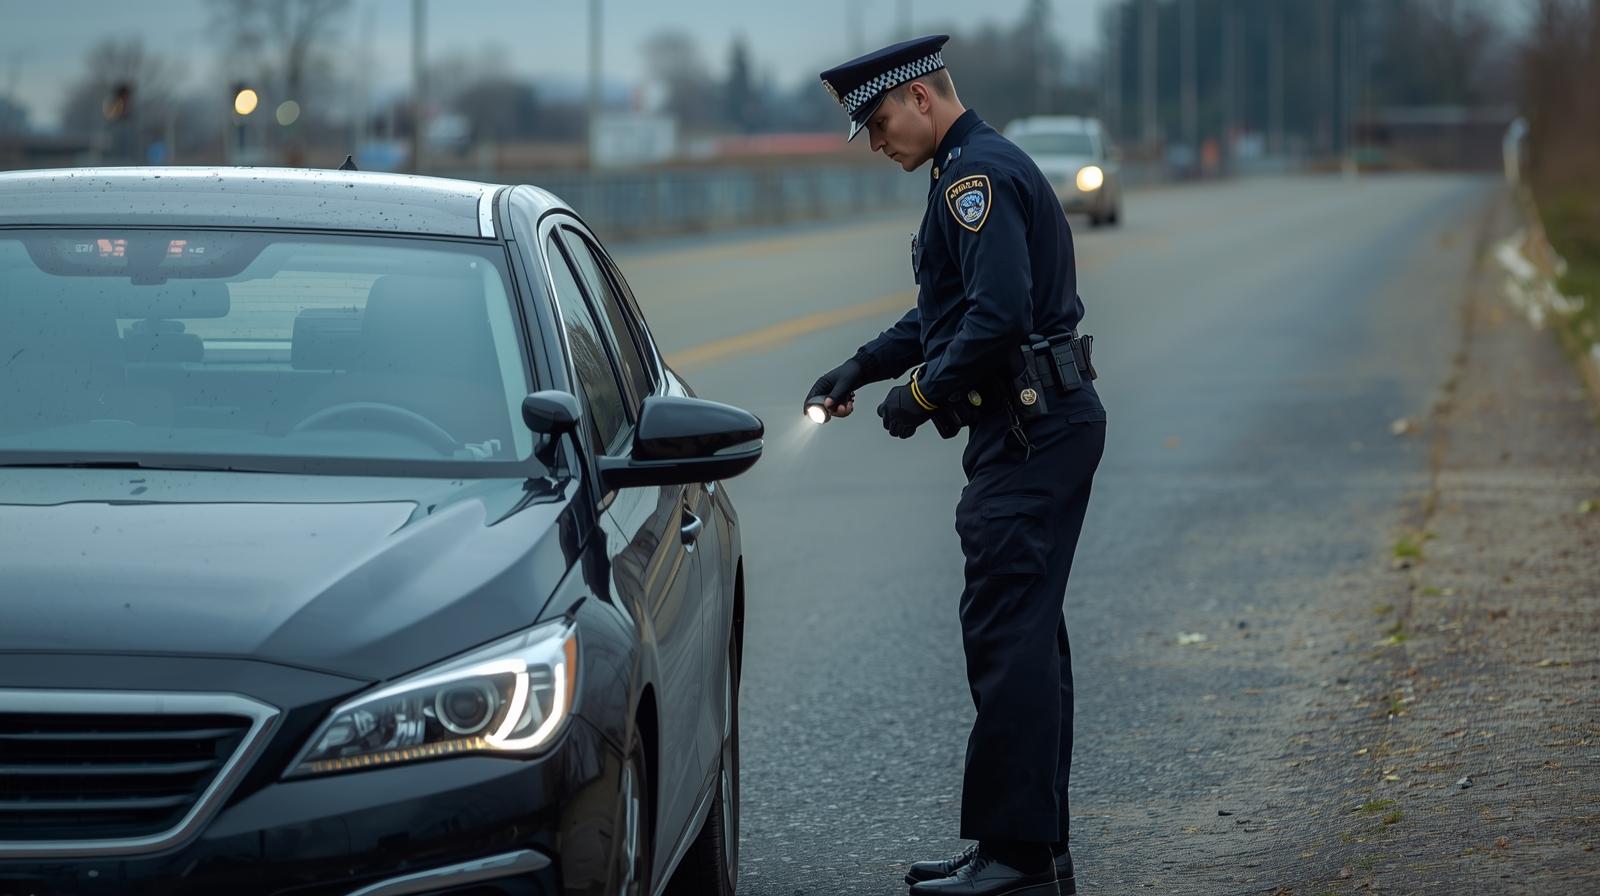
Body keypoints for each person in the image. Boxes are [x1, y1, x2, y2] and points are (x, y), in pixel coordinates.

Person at [808, 35, 1107, 896]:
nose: (876, 142)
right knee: (1029, 640)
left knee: (1007, 636)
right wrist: (862, 368)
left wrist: (924, 397)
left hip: (1029, 433)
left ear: (923, 101)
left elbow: (998, 317)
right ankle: (1031, 852)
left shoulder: (974, 179)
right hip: (1040, 427)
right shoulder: (966, 172)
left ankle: (1014, 859)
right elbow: (944, 314)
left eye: (878, 122)